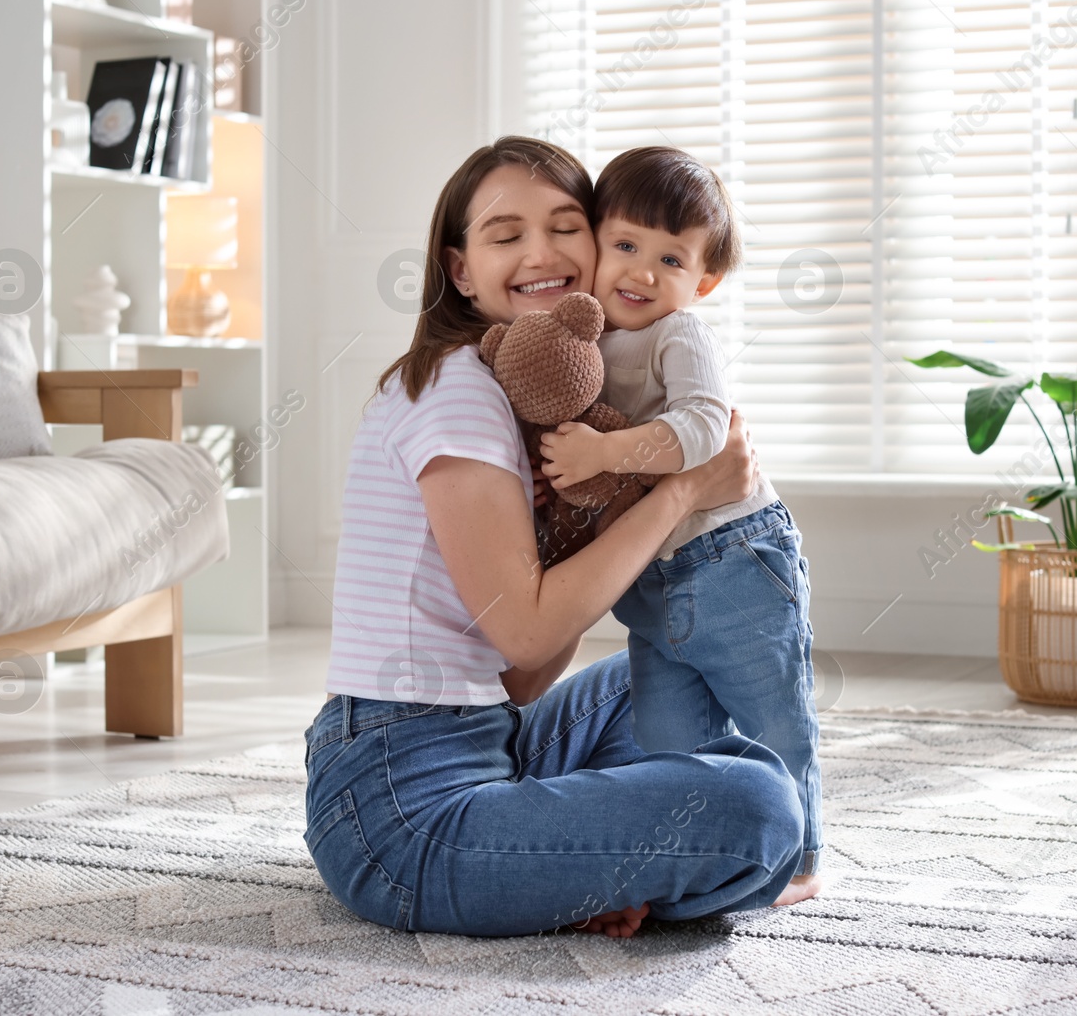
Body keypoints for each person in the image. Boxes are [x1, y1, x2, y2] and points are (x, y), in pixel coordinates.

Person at [303, 136, 816, 939]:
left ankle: (575, 873)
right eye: (506, 235)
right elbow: (529, 626)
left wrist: (595, 509)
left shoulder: (527, 398)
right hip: (399, 809)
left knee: (677, 663)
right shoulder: (455, 392)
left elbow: (524, 675)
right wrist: (682, 486)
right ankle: (587, 873)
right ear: (461, 270)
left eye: (565, 226)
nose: (541, 253)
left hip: (491, 738)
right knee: (761, 808)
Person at [537, 145, 823, 892]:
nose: (640, 271)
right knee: (668, 739)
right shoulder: (582, 341)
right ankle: (696, 855)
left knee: (773, 716)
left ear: (705, 279)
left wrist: (604, 451)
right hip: (651, 586)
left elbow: (704, 423)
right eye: (625, 245)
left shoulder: (678, 335)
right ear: (593, 242)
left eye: (670, 258)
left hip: (734, 558)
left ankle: (802, 858)